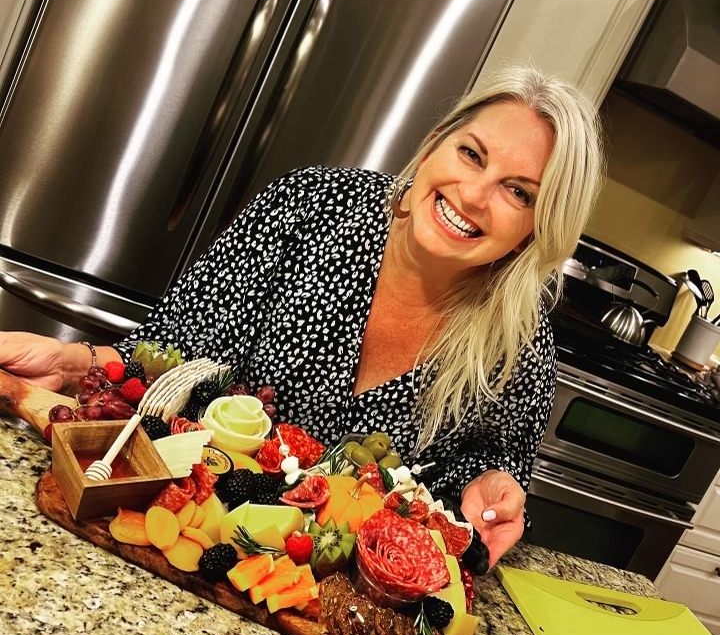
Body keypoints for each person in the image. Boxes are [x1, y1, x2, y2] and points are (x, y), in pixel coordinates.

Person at [0, 66, 604, 568]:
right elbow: (174, 355)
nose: (473, 195)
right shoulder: (313, 207)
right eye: (471, 154)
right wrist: (74, 362)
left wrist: (494, 496)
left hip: (333, 597)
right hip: (180, 542)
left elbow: (494, 478)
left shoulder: (522, 347)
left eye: (518, 191)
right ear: (435, 141)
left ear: (538, 228)